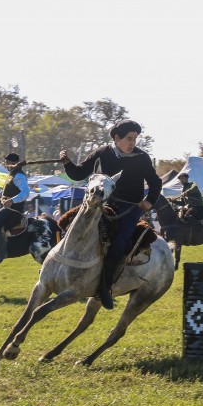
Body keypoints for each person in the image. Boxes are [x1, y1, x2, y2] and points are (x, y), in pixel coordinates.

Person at [59, 119, 161, 309]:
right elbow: (78, 174)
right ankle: (54, 266)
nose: (133, 143)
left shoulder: (142, 157)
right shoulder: (101, 153)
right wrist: (67, 162)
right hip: (102, 204)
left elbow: (156, 183)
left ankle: (105, 288)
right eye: (129, 138)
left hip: (130, 209)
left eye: (135, 139)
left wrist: (149, 201)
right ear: (116, 138)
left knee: (119, 243)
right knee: (70, 224)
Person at [0, 153, 31, 264]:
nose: (6, 164)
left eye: (7, 162)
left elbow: (26, 193)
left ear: (13, 163)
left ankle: (2, 251)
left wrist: (12, 201)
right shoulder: (12, 175)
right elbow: (7, 191)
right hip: (7, 209)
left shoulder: (19, 176)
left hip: (14, 211)